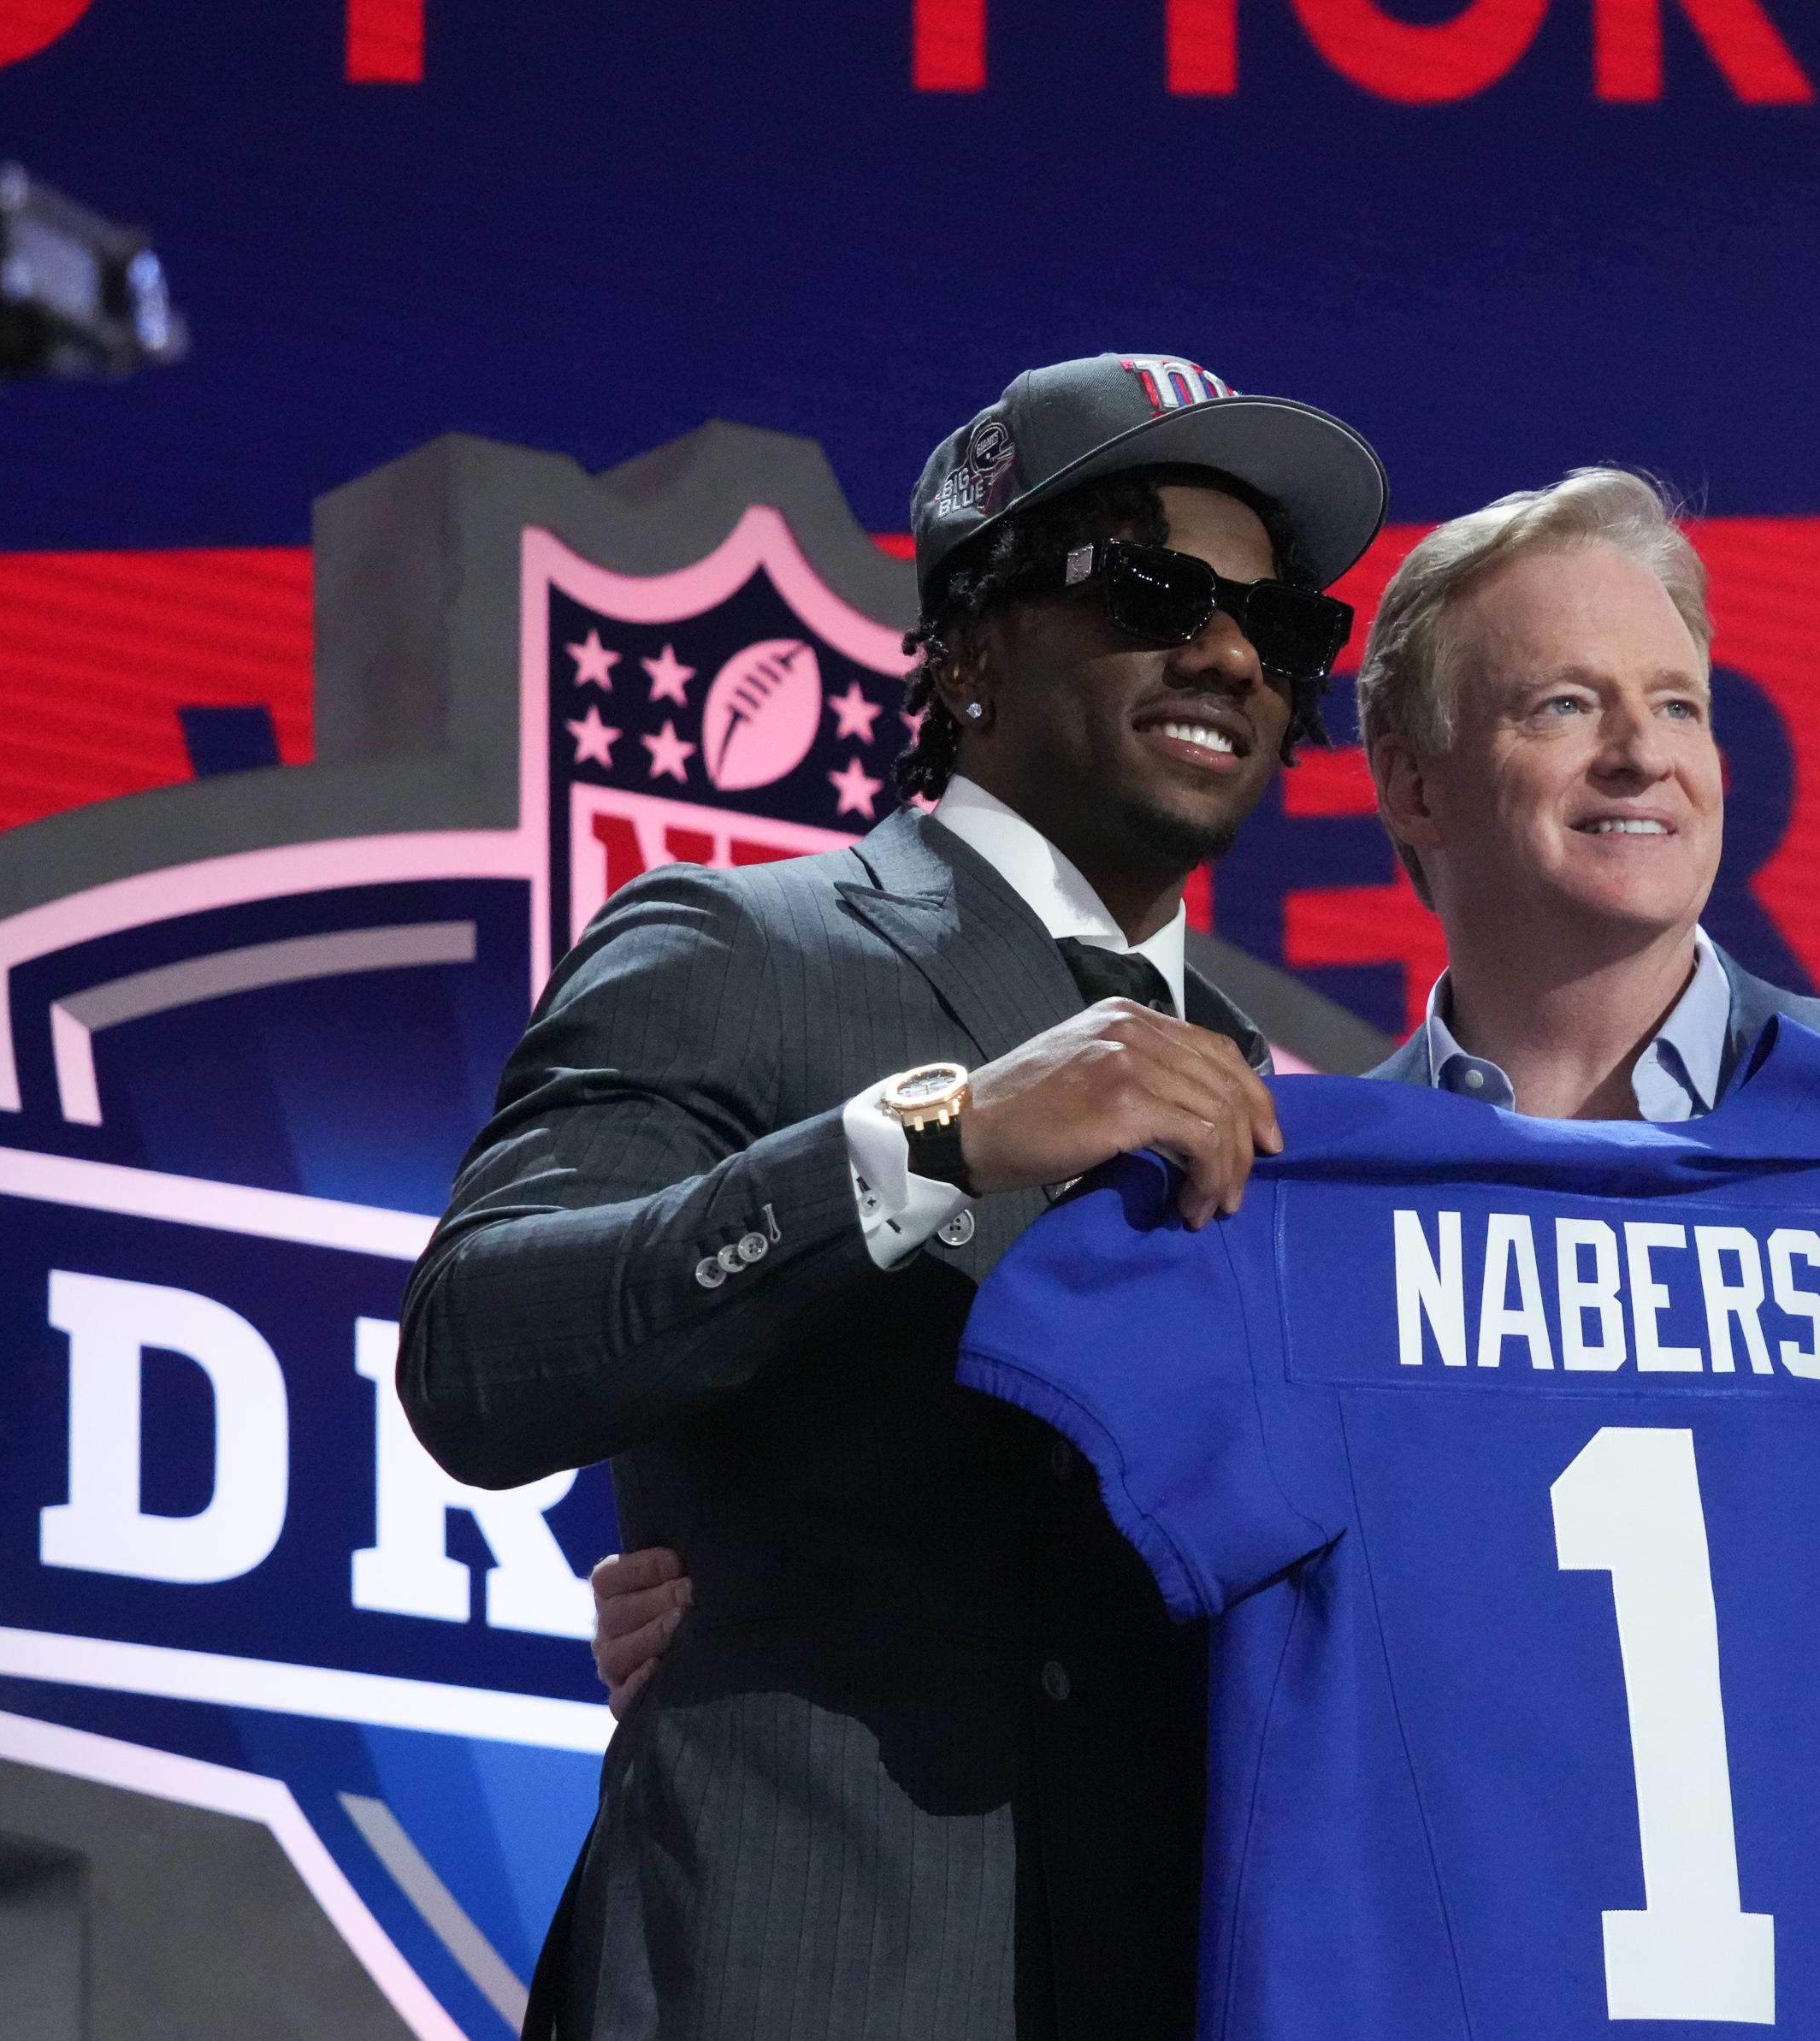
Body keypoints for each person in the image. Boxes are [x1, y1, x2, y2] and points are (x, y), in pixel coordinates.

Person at [589, 468, 1820, 1730]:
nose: (1644, 755)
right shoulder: (1277, 1197)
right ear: (1410, 779)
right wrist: (768, 1626)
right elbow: (1154, 1660)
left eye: (1677, 705)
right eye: (1566, 705)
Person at [395, 352, 1389, 2040]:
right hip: (793, 1972)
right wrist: (940, 1135)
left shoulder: (1297, 1108)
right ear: (976, 641)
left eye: (1282, 627)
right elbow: (480, 1354)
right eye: (1158, 590)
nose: (1230, 649)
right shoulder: (739, 948)